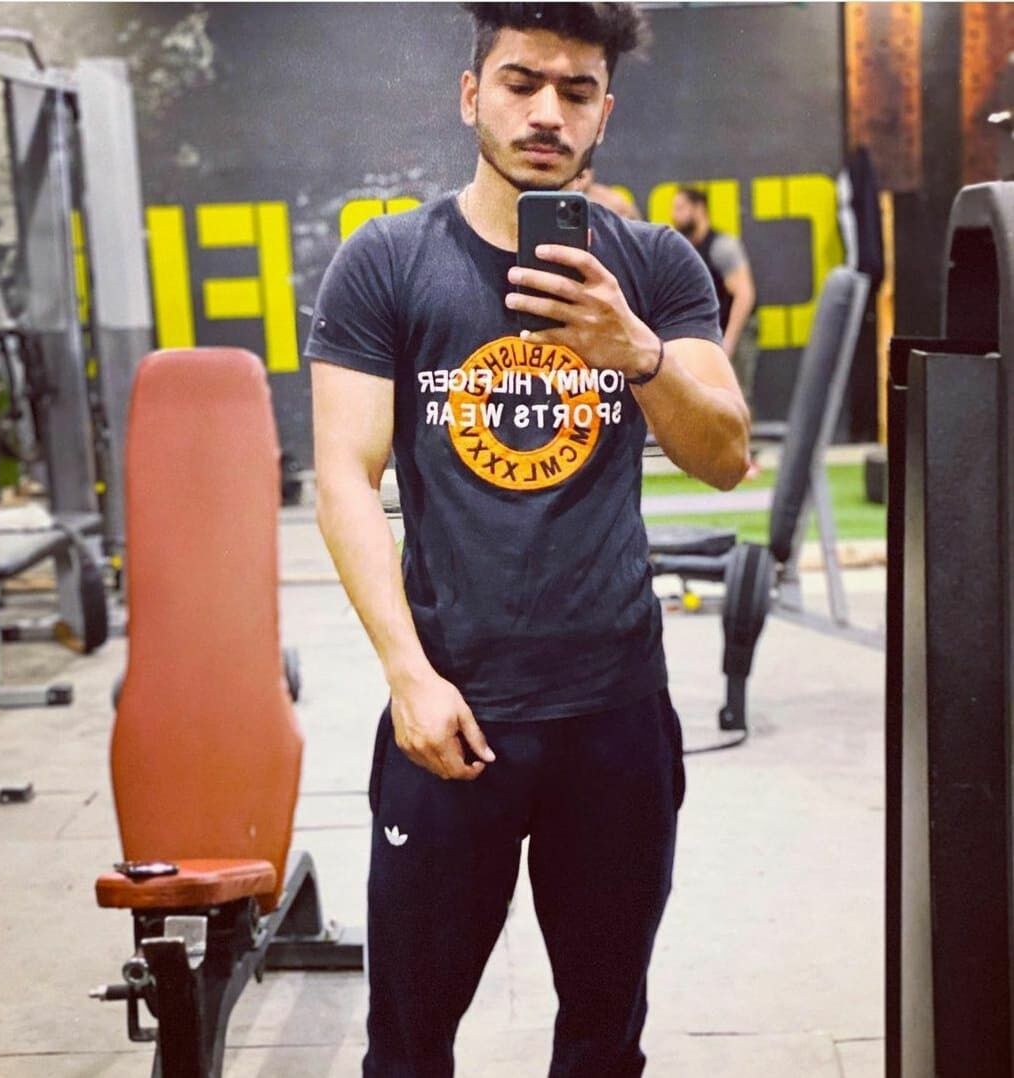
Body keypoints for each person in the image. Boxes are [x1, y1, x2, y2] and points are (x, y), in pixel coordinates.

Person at [308, 4, 749, 1075]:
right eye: (520, 82)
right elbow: (345, 478)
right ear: (472, 94)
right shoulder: (386, 263)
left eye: (576, 90)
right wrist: (407, 676)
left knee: (602, 1045)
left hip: (615, 714)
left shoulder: (654, 268)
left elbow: (727, 454)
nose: (547, 111)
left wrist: (637, 353)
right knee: (407, 1049)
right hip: (451, 714)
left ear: (605, 114)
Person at [671, 185, 760, 408]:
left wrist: (729, 341)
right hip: (709, 335)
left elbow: (745, 295)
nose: (674, 215)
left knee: (737, 398)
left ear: (699, 209)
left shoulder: (722, 247)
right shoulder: (684, 249)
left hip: (736, 330)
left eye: (680, 208)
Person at [571, 164, 642, 219]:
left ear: (591, 173)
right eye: (572, 177)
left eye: (580, 177)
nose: (577, 183)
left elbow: (634, 217)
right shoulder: (566, 197)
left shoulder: (609, 199)